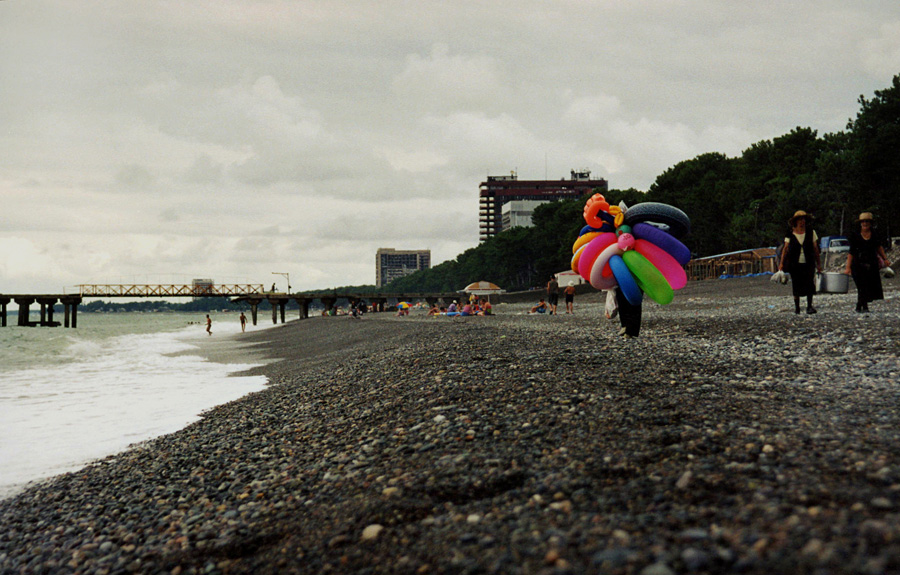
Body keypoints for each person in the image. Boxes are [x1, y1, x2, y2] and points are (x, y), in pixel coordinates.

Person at [845, 212, 890, 313]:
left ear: (870, 223)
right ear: (860, 223)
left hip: (871, 263)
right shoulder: (855, 235)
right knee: (861, 285)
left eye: (867, 221)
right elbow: (851, 252)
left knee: (868, 285)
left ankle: (860, 305)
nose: (865, 223)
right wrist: (848, 267)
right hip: (857, 264)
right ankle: (863, 306)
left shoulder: (874, 234)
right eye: (863, 221)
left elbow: (879, 247)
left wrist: (885, 259)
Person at [778, 210, 822, 314]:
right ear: (796, 221)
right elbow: (785, 248)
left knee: (809, 283)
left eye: (803, 219)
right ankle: (797, 307)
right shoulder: (790, 233)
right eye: (800, 220)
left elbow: (815, 248)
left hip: (809, 261)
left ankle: (809, 306)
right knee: (796, 283)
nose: (802, 222)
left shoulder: (811, 232)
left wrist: (818, 263)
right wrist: (781, 263)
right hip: (794, 263)